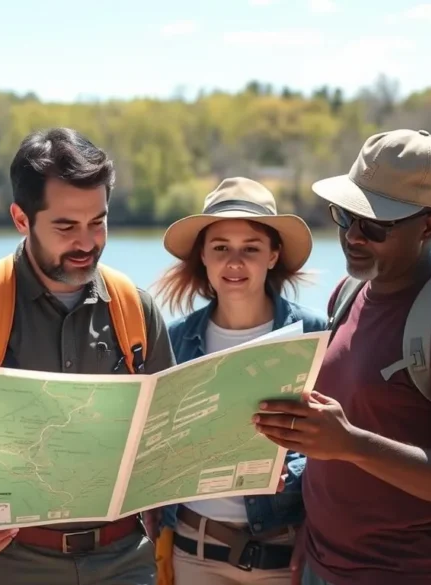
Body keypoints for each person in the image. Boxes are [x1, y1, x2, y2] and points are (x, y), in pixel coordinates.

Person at [0, 127, 176, 585]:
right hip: (14, 560)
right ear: (20, 218)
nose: (88, 242)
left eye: (98, 221)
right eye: (66, 226)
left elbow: (171, 427)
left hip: (126, 560)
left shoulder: (137, 307)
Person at [253, 129, 431, 585]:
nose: (352, 235)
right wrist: (308, 534)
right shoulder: (348, 294)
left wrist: (352, 444)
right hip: (319, 564)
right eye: (346, 215)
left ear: (430, 225)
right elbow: (331, 450)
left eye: (374, 225)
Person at [151, 177, 326, 585]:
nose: (234, 262)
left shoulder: (313, 332)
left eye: (250, 249)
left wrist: (290, 471)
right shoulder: (175, 338)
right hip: (194, 553)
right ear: (203, 257)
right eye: (221, 249)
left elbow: (335, 445)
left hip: (285, 556)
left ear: (273, 256)